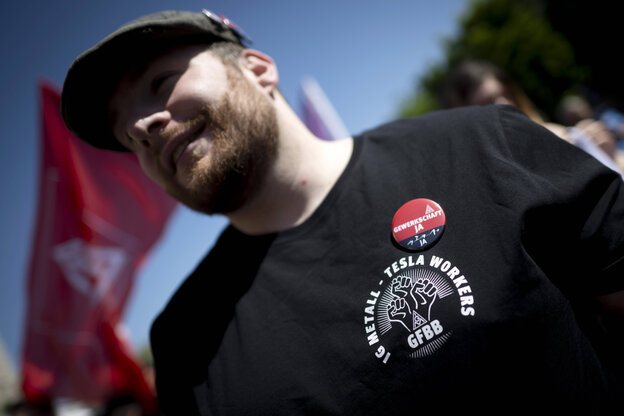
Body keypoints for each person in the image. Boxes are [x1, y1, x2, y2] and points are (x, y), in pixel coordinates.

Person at [61, 10, 624, 415]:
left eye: (160, 83)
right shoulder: (185, 341)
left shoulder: (480, 146)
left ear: (257, 69)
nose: (143, 126)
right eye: (125, 133)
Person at [439, 59, 624, 177]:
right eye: (488, 102)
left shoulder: (558, 132)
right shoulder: (483, 174)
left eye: (507, 94)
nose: (504, 104)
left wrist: (608, 152)